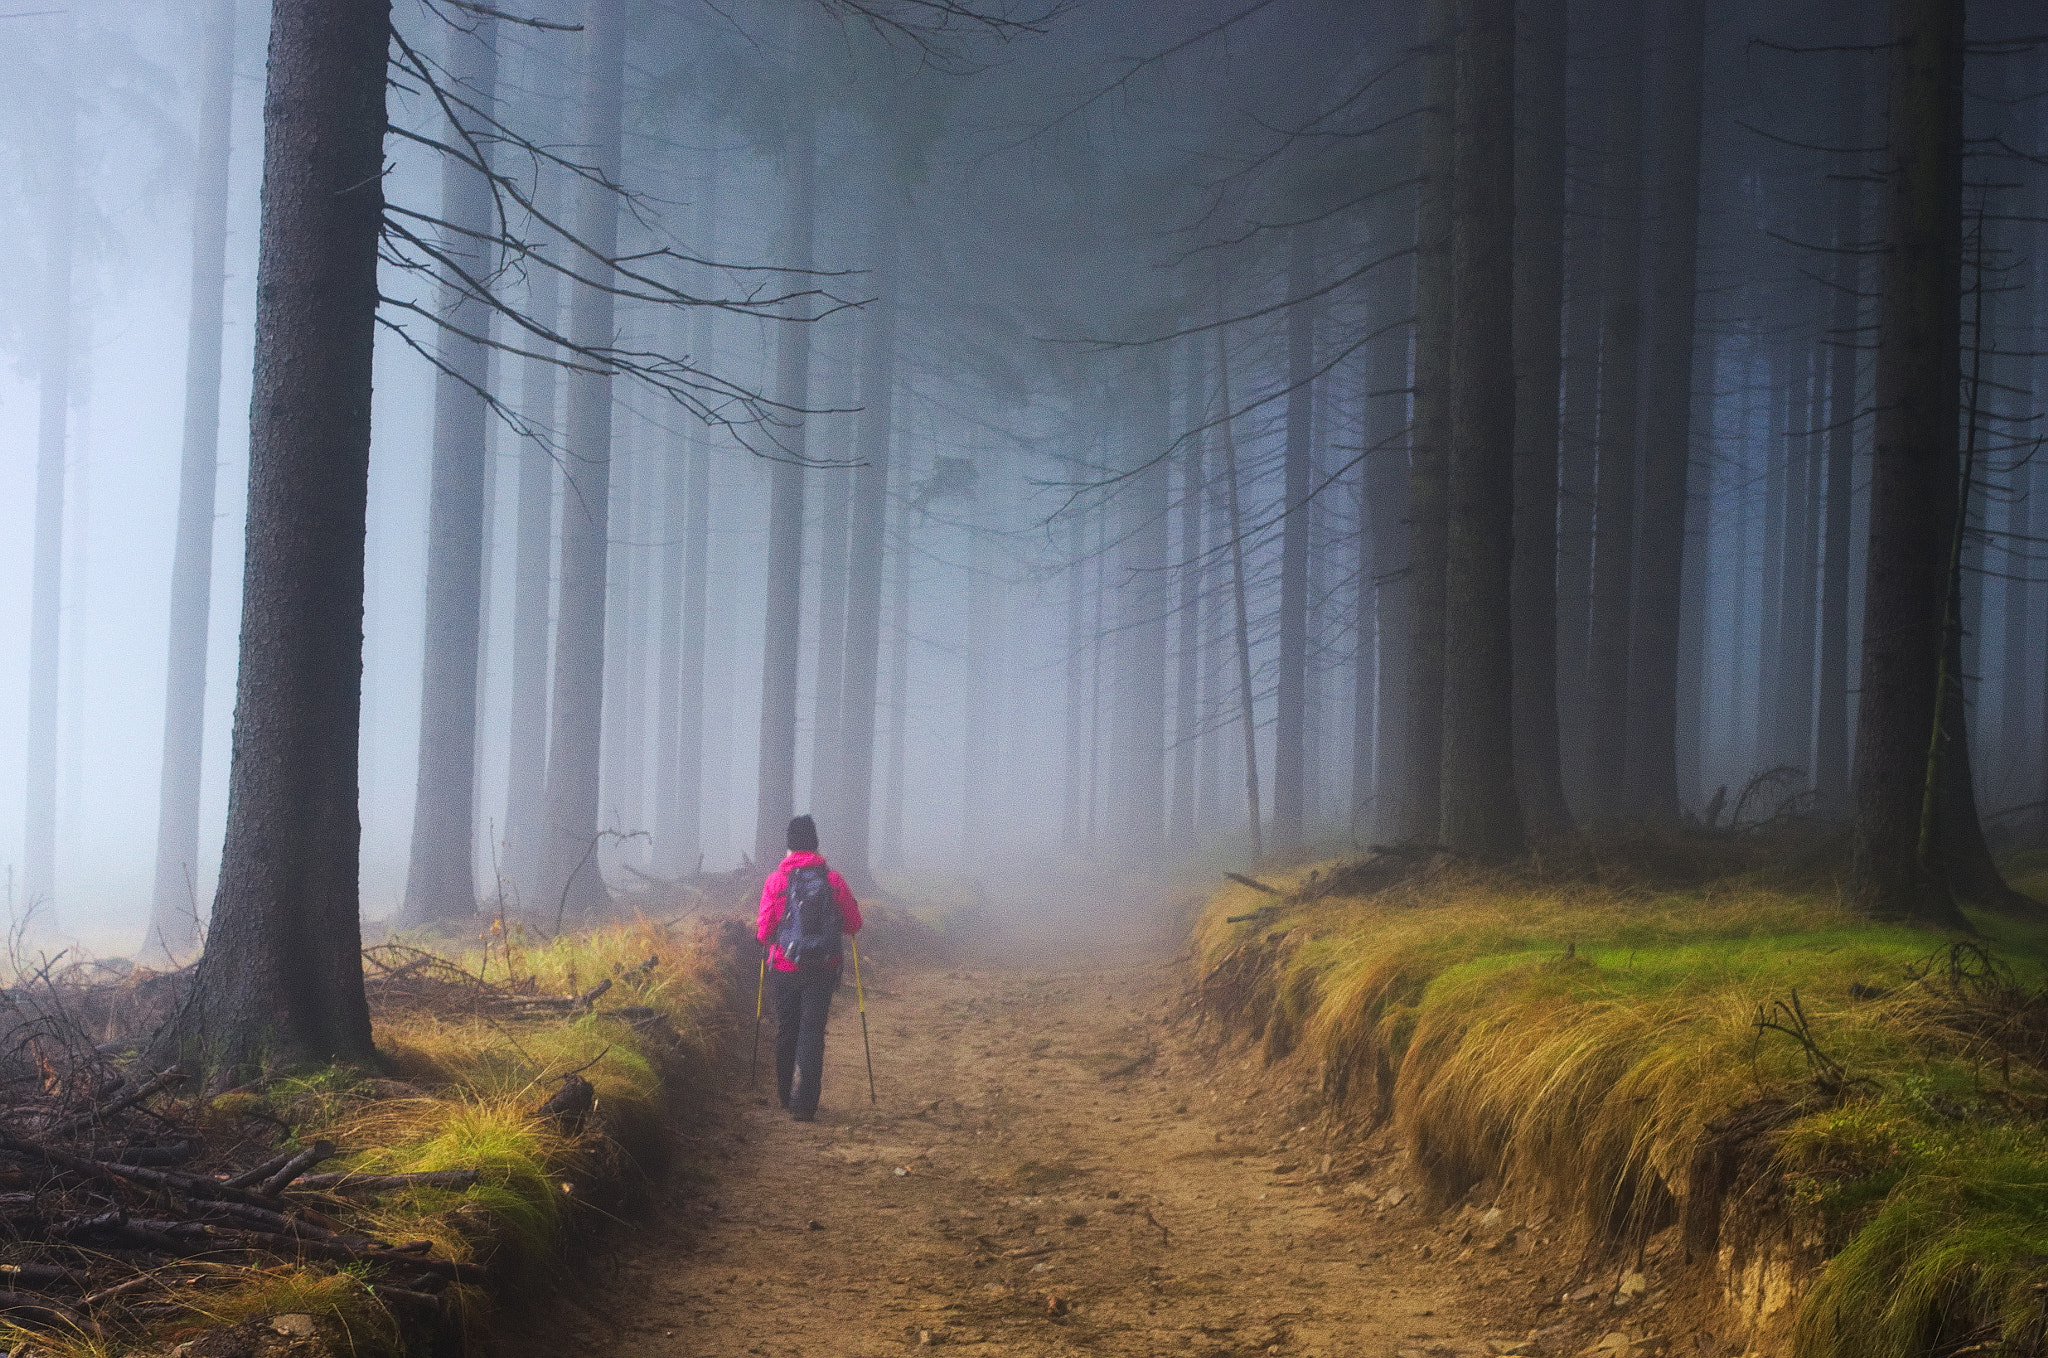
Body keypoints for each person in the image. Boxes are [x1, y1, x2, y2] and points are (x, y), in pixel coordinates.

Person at [755, 814, 863, 1121]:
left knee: (787, 1028)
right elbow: (854, 923)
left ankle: (785, 1095)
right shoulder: (832, 880)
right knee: (812, 1032)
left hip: (785, 968)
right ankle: (804, 1104)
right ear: (815, 844)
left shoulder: (776, 881)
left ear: (788, 845)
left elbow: (764, 931)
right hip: (823, 968)